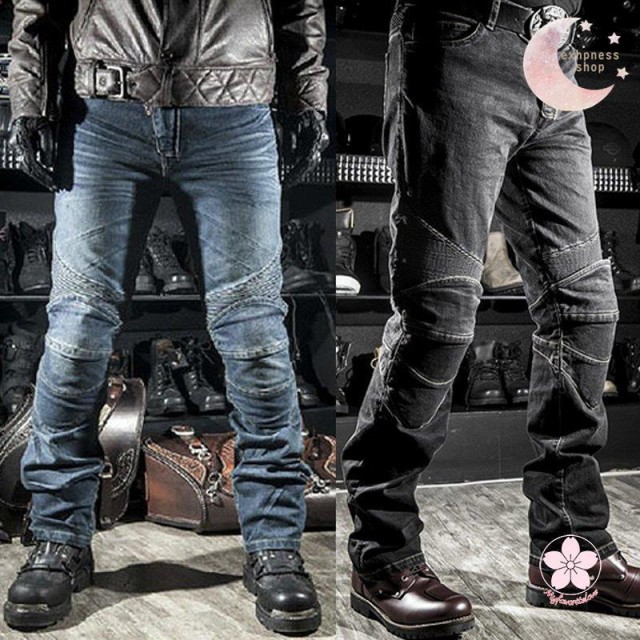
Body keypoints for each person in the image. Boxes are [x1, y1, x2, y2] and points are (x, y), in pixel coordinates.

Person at [3, 0, 328, 634]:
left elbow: (301, 6)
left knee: (257, 338)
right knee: (75, 333)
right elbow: (36, 5)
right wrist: (29, 99)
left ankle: (274, 541)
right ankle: (58, 535)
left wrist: (306, 98)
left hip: (235, 111)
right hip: (103, 113)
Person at [342, 1, 640, 637]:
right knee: (440, 314)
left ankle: (571, 555)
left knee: (587, 310)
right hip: (462, 39)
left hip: (557, 57)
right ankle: (382, 556)